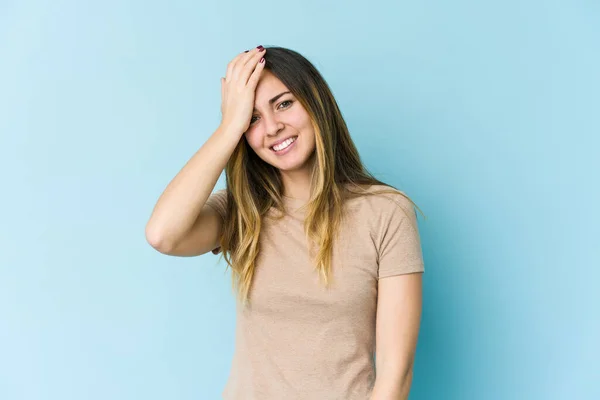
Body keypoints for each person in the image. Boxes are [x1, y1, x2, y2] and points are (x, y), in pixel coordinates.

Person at [145, 45, 425, 400]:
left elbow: (394, 377)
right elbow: (162, 235)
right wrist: (229, 125)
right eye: (253, 118)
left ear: (315, 103)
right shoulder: (241, 211)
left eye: (284, 104)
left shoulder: (385, 212)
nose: (273, 127)